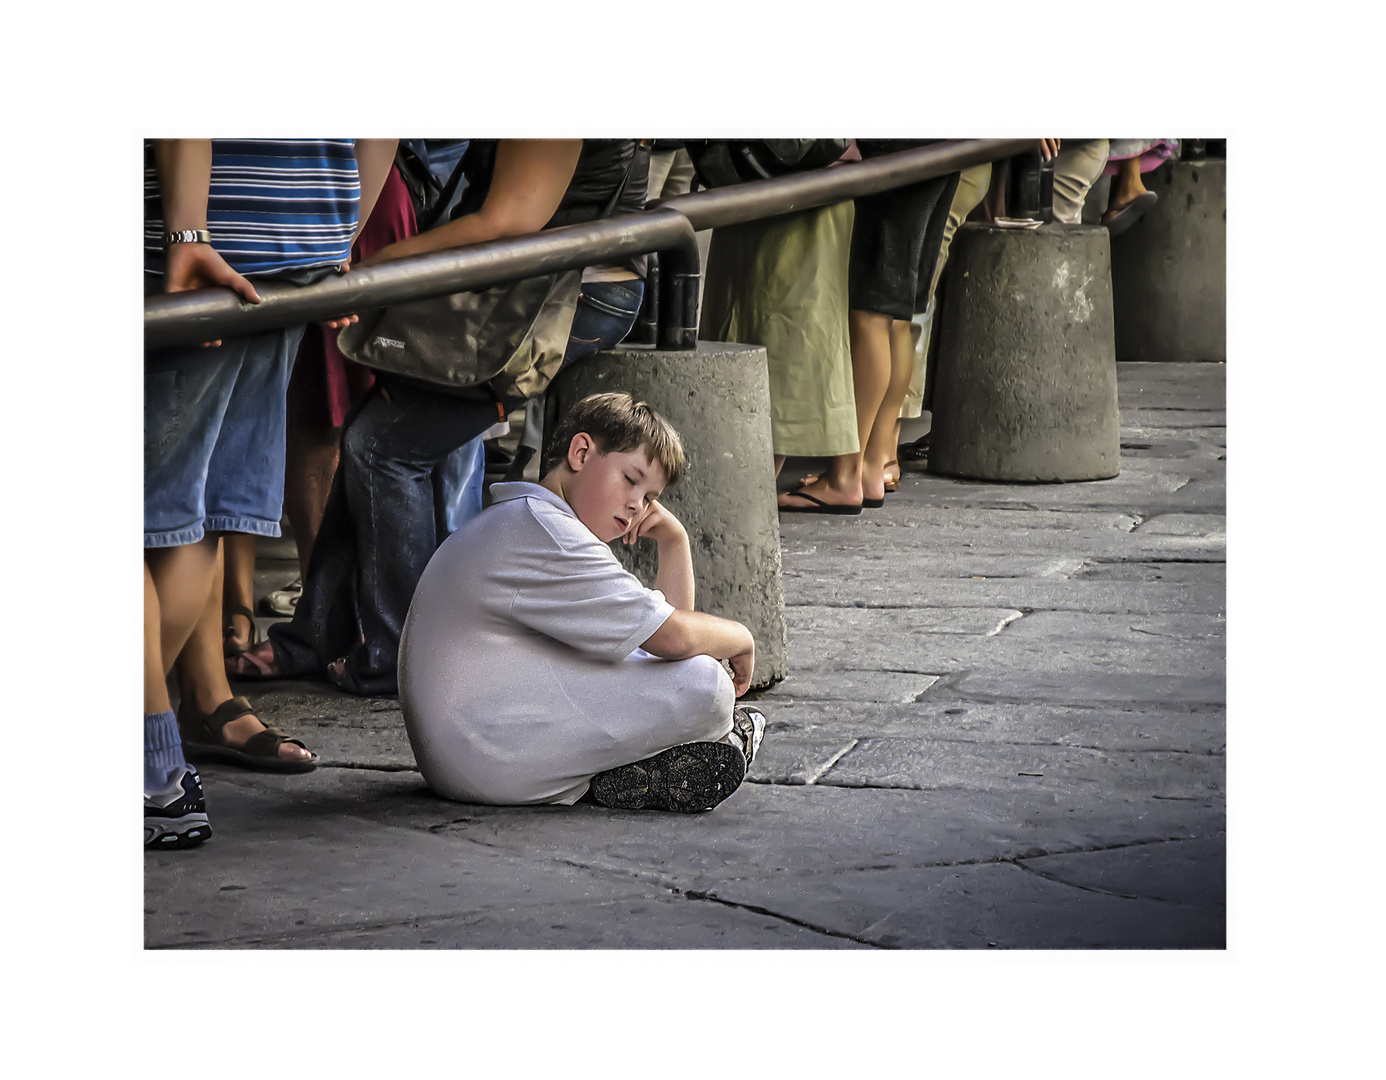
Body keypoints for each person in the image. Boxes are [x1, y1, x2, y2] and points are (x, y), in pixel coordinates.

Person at [230, 140, 646, 696]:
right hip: (537, 281)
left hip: (561, 296)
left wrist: (383, 261)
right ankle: (322, 636)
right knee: (370, 436)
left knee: (383, 448)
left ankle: (400, 655)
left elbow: (508, 217)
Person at [144, 138, 394, 848]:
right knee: (195, 518)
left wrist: (188, 230)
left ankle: (153, 773)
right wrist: (334, 235)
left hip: (205, 242)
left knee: (151, 517)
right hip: (295, 238)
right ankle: (160, 761)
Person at [399, 392, 766, 810]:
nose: (636, 505)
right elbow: (674, 639)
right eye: (631, 480)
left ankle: (630, 772)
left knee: (664, 659)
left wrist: (673, 539)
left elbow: (662, 636)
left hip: (465, 753)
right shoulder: (551, 534)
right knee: (709, 684)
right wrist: (742, 637)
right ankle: (717, 741)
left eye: (649, 498)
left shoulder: (525, 519)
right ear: (581, 452)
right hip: (491, 758)